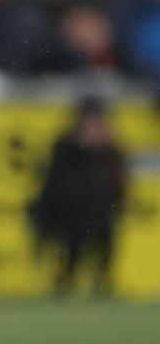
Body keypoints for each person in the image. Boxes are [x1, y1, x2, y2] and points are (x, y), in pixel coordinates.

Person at [29, 97, 126, 297]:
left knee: (105, 233)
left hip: (98, 214)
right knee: (74, 237)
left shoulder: (110, 151)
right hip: (67, 213)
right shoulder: (65, 148)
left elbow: (118, 187)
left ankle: (101, 282)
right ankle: (65, 281)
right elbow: (56, 187)